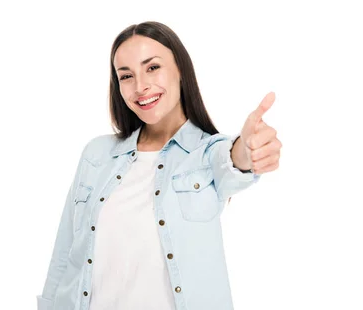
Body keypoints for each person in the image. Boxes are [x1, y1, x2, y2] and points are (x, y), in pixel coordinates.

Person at [36, 21, 282, 310]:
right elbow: (65, 254)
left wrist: (249, 151)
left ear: (180, 69)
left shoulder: (205, 153)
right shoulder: (97, 154)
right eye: (126, 76)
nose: (140, 86)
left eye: (152, 68)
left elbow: (231, 160)